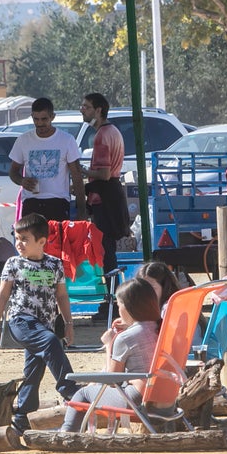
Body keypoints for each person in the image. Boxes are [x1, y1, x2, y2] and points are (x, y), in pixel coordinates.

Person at [0, 213, 77, 432]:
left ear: (42, 241)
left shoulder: (54, 264)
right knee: (50, 342)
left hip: (44, 324)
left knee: (33, 371)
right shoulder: (14, 263)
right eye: (17, 238)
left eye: (24, 239)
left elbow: (62, 296)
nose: (19, 244)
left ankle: (22, 419)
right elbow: (3, 294)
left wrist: (68, 323)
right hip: (20, 321)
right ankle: (70, 389)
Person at [60, 276, 161, 432]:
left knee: (82, 394)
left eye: (119, 304)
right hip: (163, 396)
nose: (118, 309)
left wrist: (109, 344)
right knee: (93, 387)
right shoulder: (160, 327)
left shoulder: (126, 338)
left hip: (136, 399)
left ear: (128, 307)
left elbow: (112, 380)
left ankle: (66, 433)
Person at [80, 93, 129, 320]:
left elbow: (104, 173)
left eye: (87, 107)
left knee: (106, 254)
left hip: (104, 199)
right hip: (111, 196)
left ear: (99, 110)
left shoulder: (101, 136)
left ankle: (110, 305)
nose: (83, 110)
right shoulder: (114, 132)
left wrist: (82, 173)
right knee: (109, 253)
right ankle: (114, 303)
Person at [8, 97, 86, 222]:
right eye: (36, 119)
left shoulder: (66, 140)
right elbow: (13, 172)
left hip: (58, 202)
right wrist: (22, 181)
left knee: (56, 241)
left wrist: (82, 209)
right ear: (32, 117)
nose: (40, 123)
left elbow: (77, 176)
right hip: (31, 202)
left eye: (44, 119)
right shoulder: (23, 140)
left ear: (52, 117)